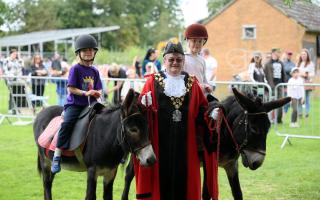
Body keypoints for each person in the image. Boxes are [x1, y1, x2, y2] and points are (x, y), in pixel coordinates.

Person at [133, 41, 218, 200]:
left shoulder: (192, 83)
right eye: (171, 59)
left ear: (183, 61)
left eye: (179, 59)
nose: (175, 63)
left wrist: (211, 114)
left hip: (186, 145)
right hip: (160, 144)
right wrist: (143, 105)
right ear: (164, 61)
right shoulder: (153, 81)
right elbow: (140, 111)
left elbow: (201, 110)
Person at [51, 34, 103, 174]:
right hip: (75, 104)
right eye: (85, 50)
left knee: (108, 120)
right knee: (67, 123)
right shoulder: (75, 69)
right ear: (79, 53)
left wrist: (97, 93)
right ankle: (57, 155)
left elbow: (98, 87)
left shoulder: (95, 71)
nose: (88, 52)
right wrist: (86, 93)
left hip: (91, 104)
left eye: (91, 50)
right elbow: (71, 88)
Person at [183, 23, 213, 94]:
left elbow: (203, 79)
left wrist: (208, 86)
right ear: (188, 41)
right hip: (188, 96)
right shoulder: (183, 58)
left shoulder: (202, 60)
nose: (197, 44)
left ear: (204, 42)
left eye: (200, 41)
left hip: (200, 95)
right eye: (194, 41)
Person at [264, 48, 286, 123]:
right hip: (271, 86)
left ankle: (278, 119)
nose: (277, 54)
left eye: (279, 53)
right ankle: (270, 119)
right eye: (276, 52)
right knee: (271, 103)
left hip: (280, 85)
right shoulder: (267, 64)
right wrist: (267, 85)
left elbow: (283, 74)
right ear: (273, 53)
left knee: (280, 102)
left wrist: (285, 84)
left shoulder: (281, 63)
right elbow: (265, 75)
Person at [2, 49, 26, 113]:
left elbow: (22, 66)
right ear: (11, 54)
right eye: (14, 54)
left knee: (16, 93)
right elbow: (5, 70)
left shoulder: (17, 61)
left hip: (17, 80)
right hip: (9, 79)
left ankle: (16, 108)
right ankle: (11, 108)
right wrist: (11, 77)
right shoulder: (6, 60)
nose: (15, 55)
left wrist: (20, 58)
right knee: (12, 93)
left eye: (16, 54)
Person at [296, 48, 315, 118]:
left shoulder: (310, 63)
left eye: (304, 54)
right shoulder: (298, 63)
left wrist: (306, 74)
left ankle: (307, 113)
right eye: (302, 54)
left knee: (306, 98)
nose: (303, 56)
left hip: (307, 82)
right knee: (299, 97)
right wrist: (301, 74)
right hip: (299, 83)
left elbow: (312, 73)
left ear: (307, 55)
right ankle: (300, 113)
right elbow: (296, 72)